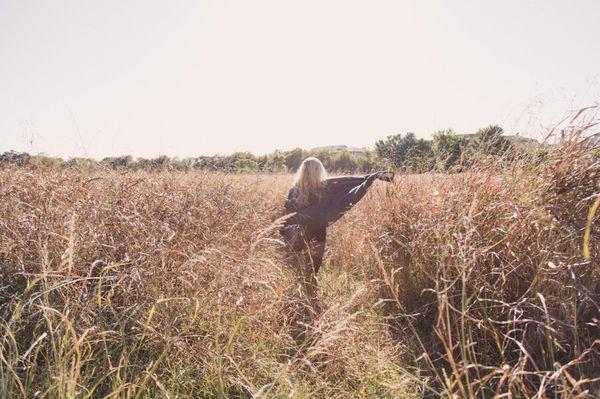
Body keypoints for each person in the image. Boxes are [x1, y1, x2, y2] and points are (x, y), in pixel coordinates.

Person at [280, 157, 393, 299]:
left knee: (297, 269)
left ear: (302, 171)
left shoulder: (295, 191)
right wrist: (369, 178)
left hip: (298, 233)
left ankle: (300, 297)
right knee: (312, 270)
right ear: (318, 171)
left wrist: (288, 234)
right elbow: (348, 184)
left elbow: (286, 215)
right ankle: (311, 297)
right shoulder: (325, 188)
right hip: (317, 233)